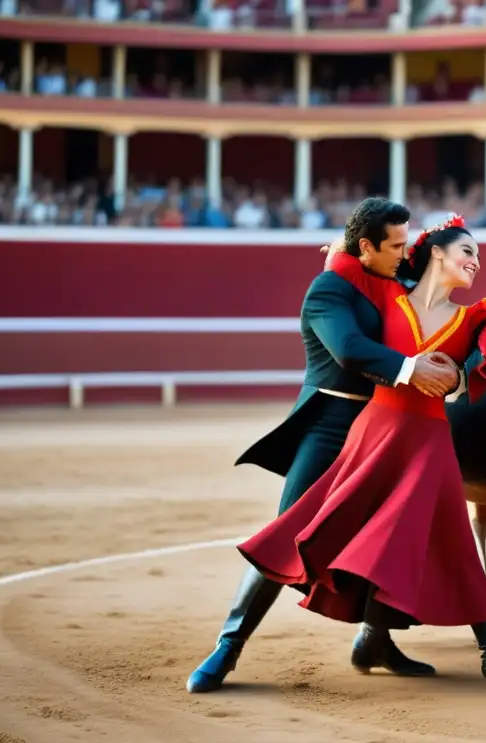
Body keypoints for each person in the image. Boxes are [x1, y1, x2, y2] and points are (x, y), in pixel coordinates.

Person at [237, 216, 486, 700]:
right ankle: (251, 643)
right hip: (375, 431)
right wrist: (341, 248)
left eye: (478, 258)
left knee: (453, 541)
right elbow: (353, 265)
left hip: (431, 438)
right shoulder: (386, 297)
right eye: (468, 253)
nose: (475, 264)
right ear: (437, 253)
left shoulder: (473, 315)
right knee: (328, 524)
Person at [186, 198, 465, 694]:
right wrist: (411, 369)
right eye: (395, 245)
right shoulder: (327, 290)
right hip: (332, 424)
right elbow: (351, 350)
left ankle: (375, 641)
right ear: (367, 247)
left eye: (405, 243)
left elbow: (433, 278)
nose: (404, 254)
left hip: (386, 426)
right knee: (287, 536)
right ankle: (228, 647)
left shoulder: (391, 280)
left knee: (391, 537)